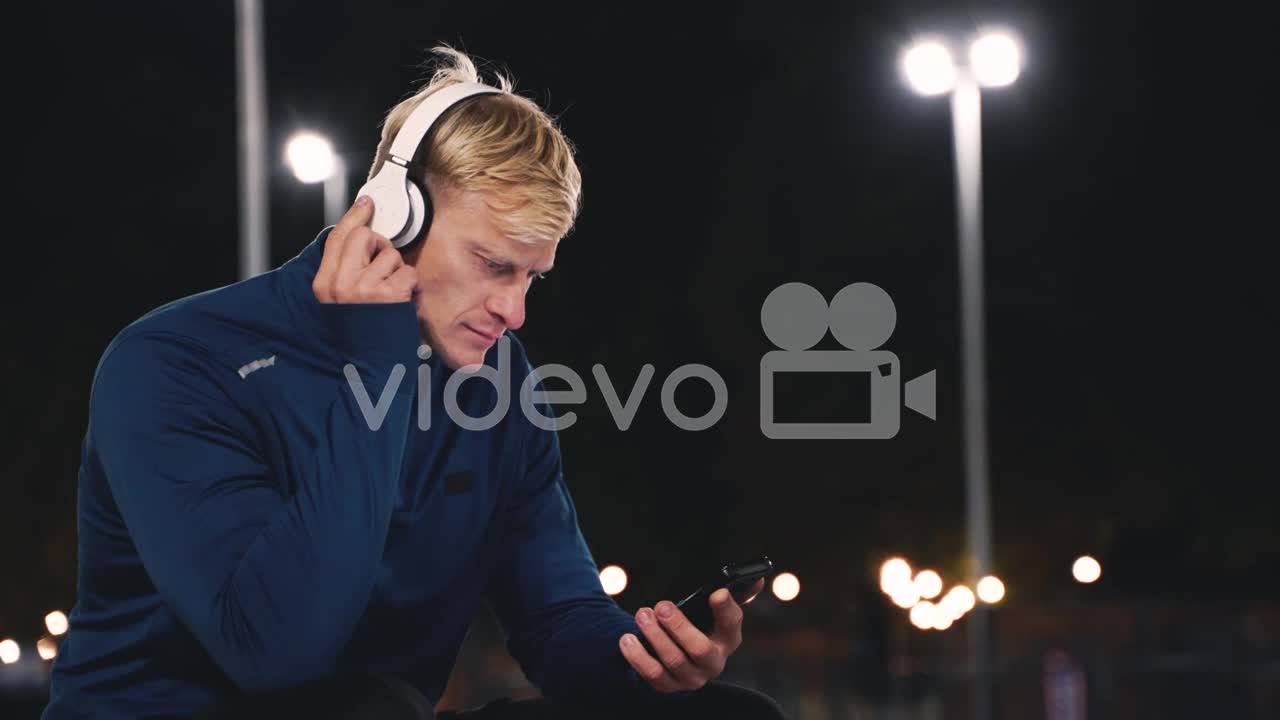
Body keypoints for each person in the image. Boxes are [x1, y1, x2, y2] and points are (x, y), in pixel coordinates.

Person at [43, 46, 785, 720]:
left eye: (533, 276)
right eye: (494, 265)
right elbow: (274, 651)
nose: (515, 310)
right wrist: (379, 360)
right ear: (395, 215)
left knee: (732, 718)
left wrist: (641, 665)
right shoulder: (175, 361)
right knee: (366, 706)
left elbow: (558, 616)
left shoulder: (496, 381)